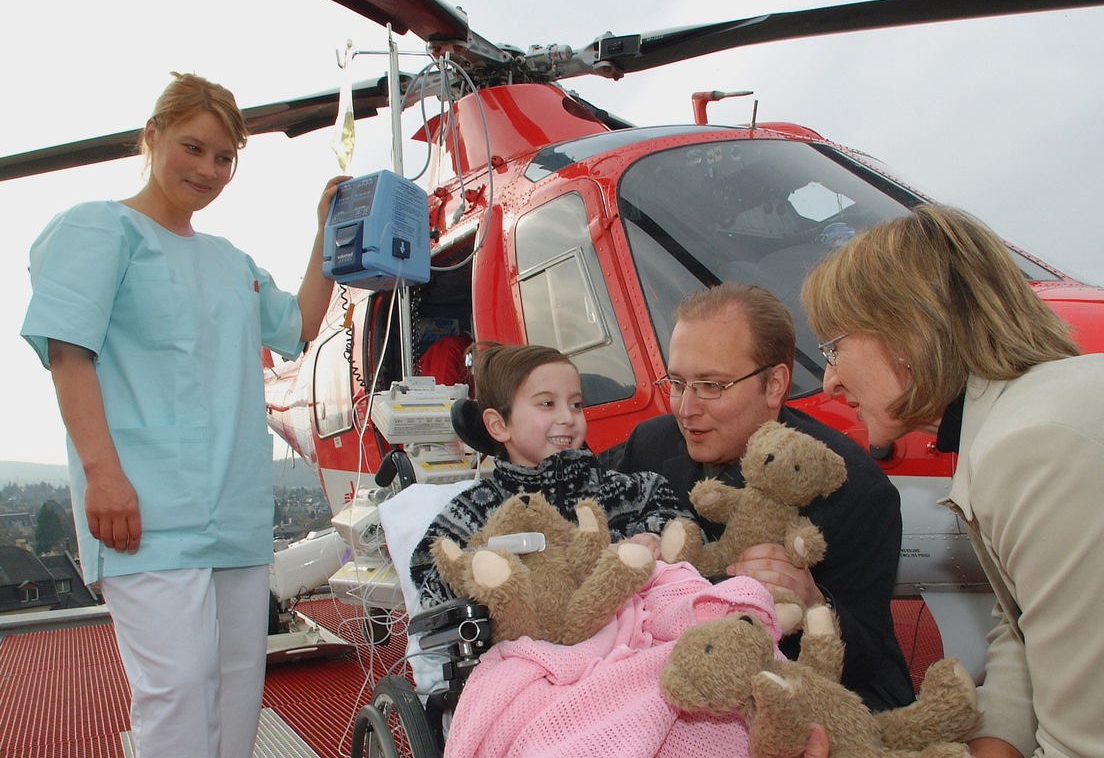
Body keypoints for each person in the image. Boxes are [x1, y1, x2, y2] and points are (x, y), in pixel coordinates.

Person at [20, 72, 347, 758]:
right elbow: (68, 354)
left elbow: (300, 323)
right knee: (176, 686)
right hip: (145, 507)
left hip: (234, 510)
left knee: (236, 687)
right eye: (193, 147)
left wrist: (326, 231)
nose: (207, 168)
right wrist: (103, 477)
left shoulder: (229, 262)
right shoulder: (98, 227)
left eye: (223, 157)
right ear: (154, 136)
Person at [798, 204, 1104, 757]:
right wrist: (994, 742)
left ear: (905, 332)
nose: (831, 379)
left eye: (834, 347)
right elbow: (1028, 623)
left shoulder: (1043, 450)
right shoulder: (1025, 419)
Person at [612, 282, 915, 712]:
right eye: (677, 382)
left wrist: (816, 605)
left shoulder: (853, 490)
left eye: (712, 386)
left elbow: (879, 675)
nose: (685, 409)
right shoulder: (650, 444)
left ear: (774, 384)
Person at [409, 343, 693, 609]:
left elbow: (681, 522)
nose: (568, 418)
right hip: (528, 647)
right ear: (498, 425)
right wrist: (488, 565)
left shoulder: (622, 490)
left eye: (576, 404)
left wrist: (653, 537)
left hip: (626, 640)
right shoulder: (478, 507)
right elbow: (427, 572)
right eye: (547, 404)